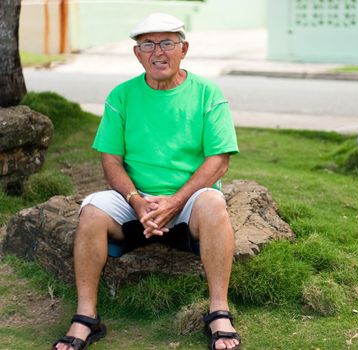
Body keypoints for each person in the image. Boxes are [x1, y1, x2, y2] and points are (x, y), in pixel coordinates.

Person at [52, 13, 240, 350]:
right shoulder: (122, 95)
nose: (158, 52)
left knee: (214, 202)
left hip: (189, 200)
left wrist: (175, 201)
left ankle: (218, 312)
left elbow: (219, 161)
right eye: (148, 44)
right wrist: (137, 201)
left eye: (167, 43)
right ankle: (86, 317)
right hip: (134, 197)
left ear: (184, 48)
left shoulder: (207, 93)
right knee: (92, 211)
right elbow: (110, 159)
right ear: (137, 53)